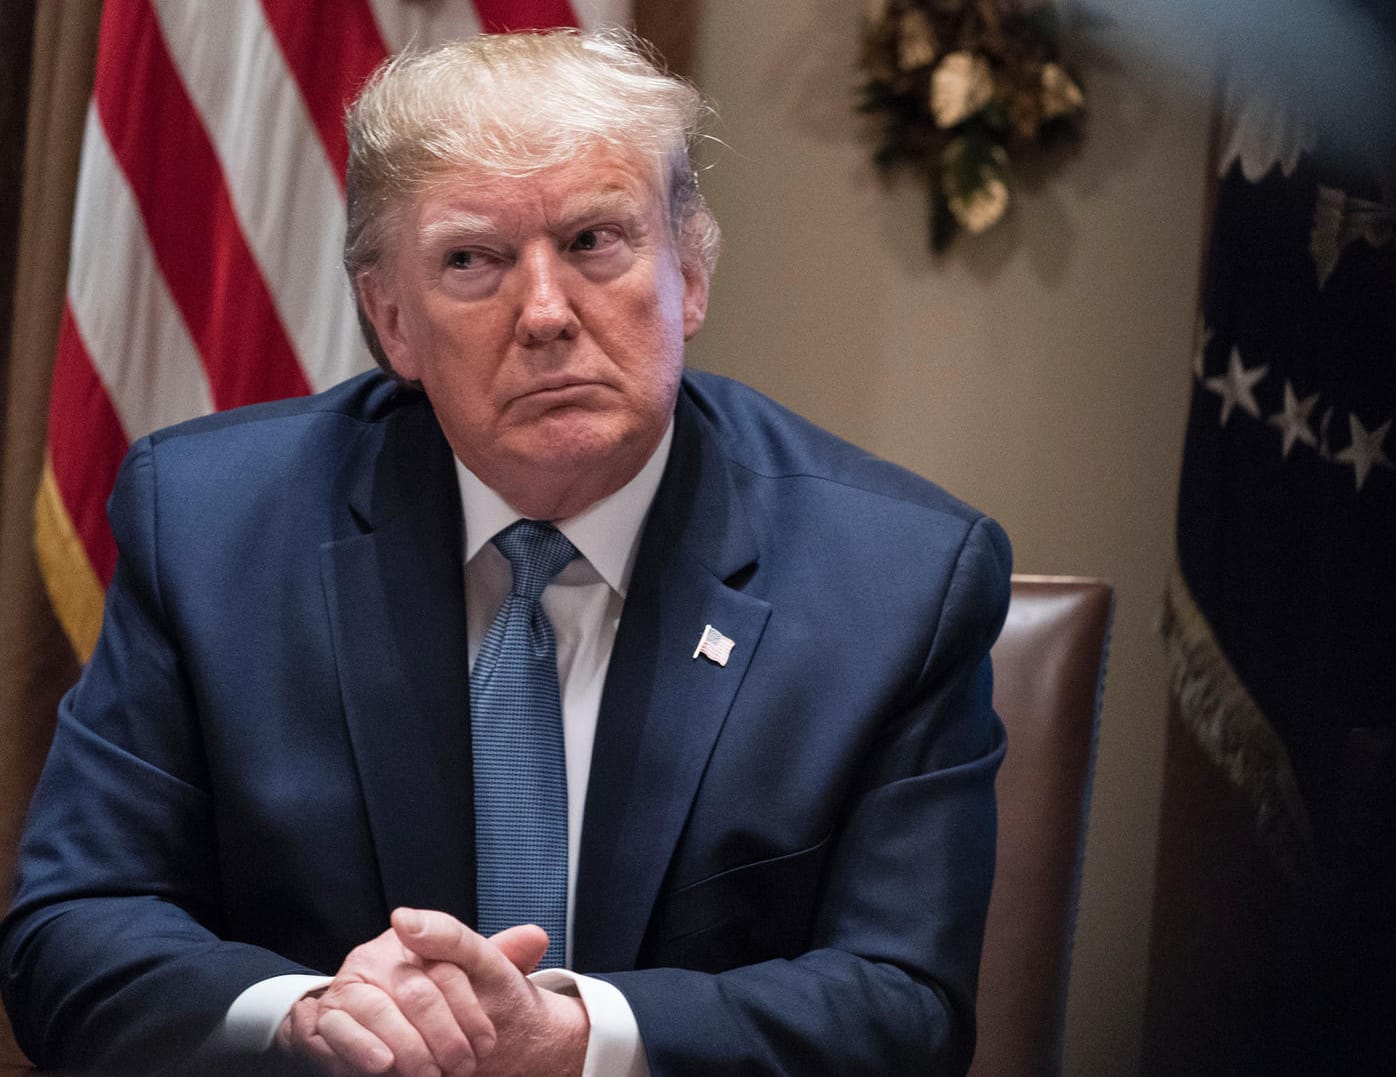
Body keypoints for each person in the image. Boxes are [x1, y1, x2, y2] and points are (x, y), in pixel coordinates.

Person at [1, 29, 1010, 1077]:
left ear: (691, 275)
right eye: (471, 260)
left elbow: (905, 1005)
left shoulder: (900, 583)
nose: (543, 314)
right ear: (391, 320)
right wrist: (310, 1015)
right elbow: (69, 938)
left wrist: (578, 1041)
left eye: (594, 241)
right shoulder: (209, 531)